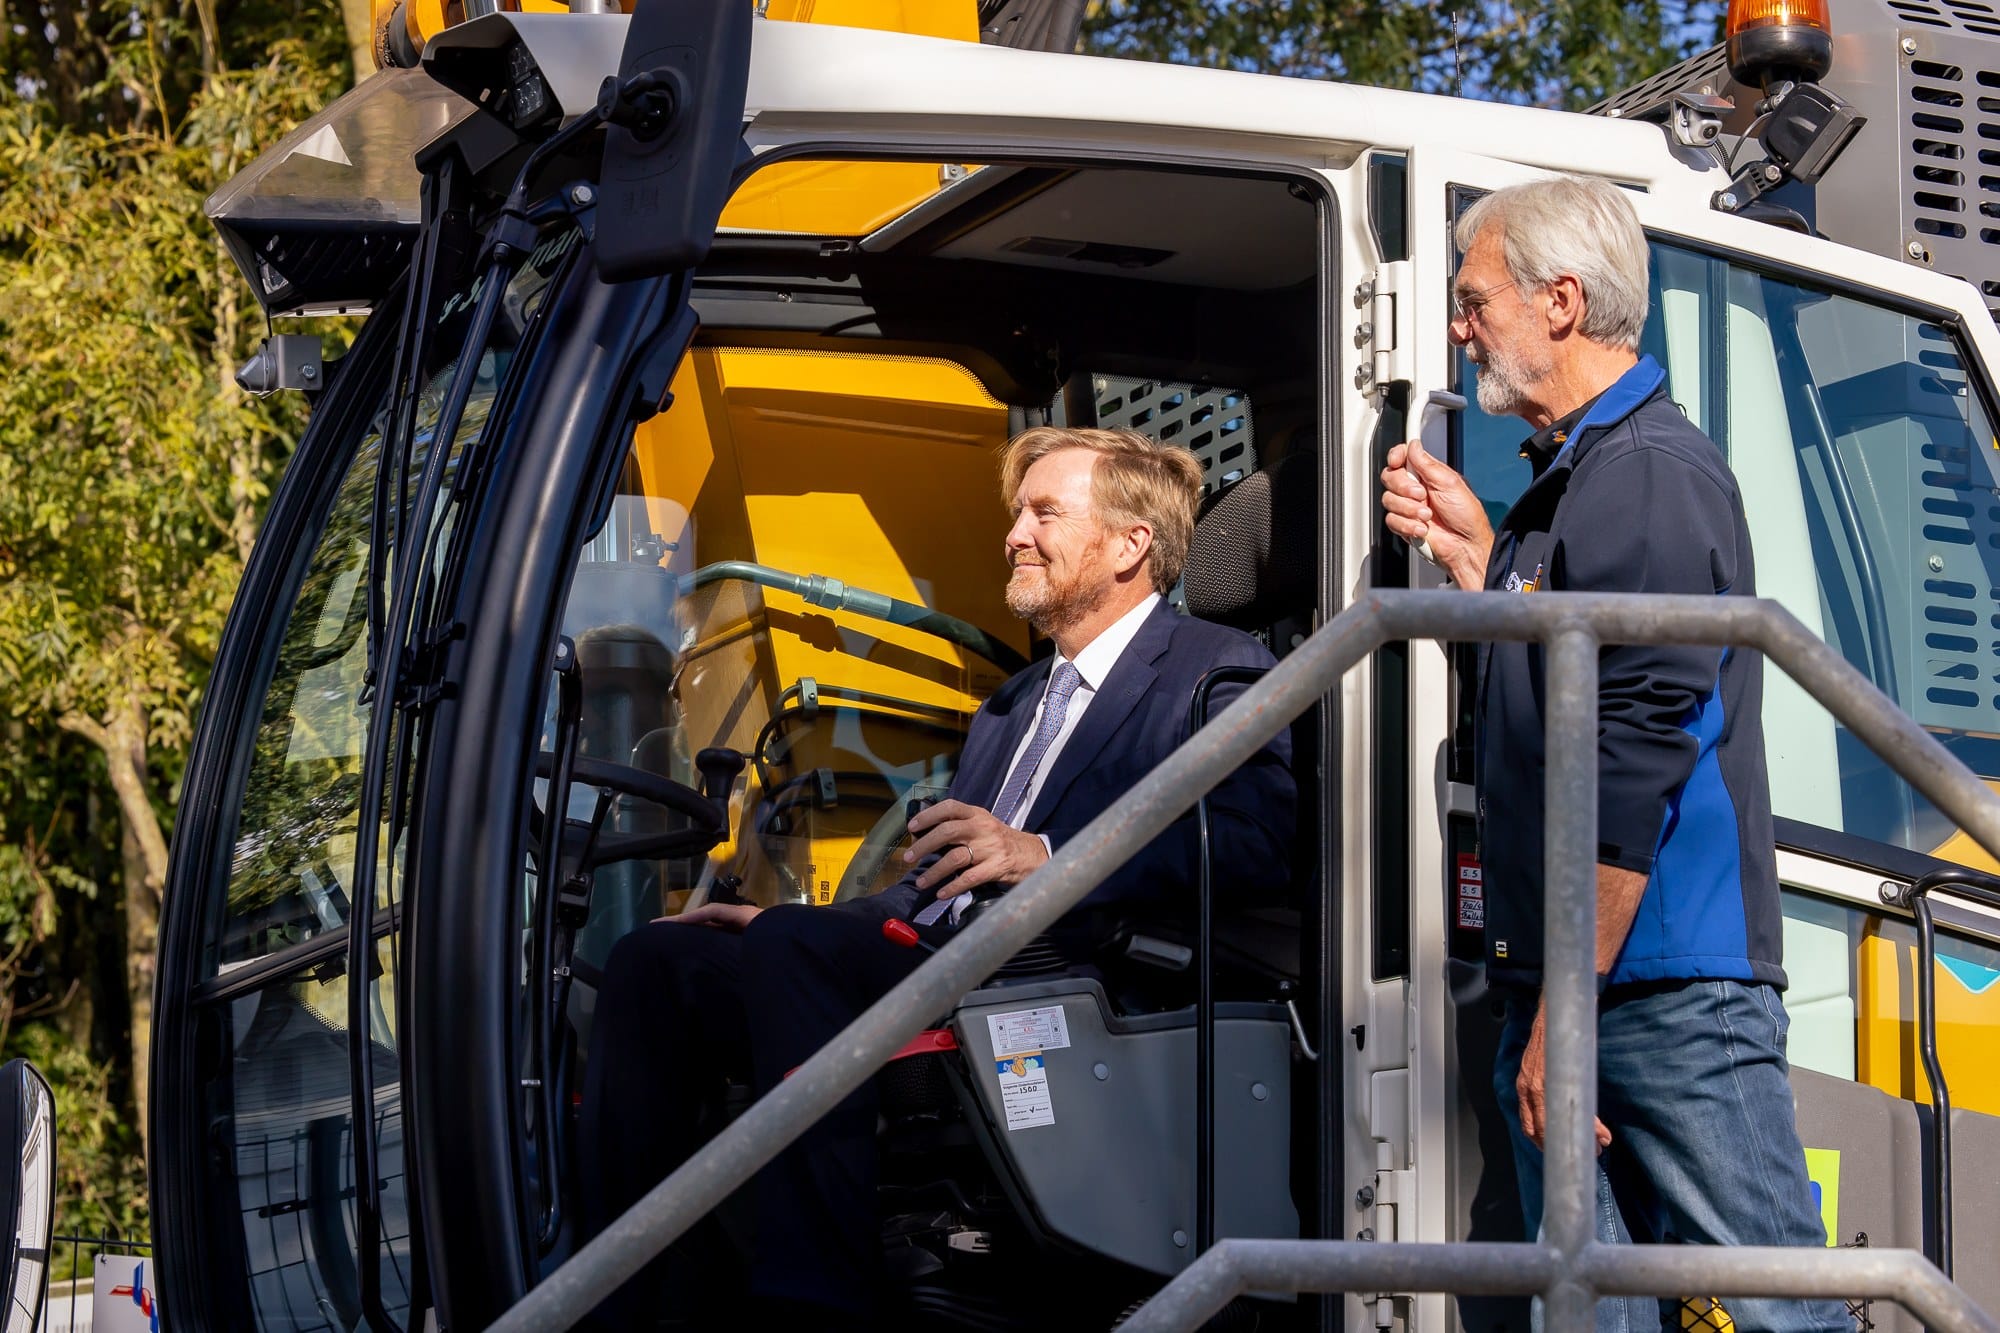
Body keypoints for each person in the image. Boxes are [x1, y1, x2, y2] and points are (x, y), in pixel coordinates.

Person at [581, 425, 1296, 1328]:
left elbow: (1253, 839)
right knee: (660, 966)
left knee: (799, 951)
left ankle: (812, 1302)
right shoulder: (1016, 702)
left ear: (1130, 544)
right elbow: (937, 886)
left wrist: (1048, 855)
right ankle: (614, 1298)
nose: (1014, 535)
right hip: (946, 955)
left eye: (1044, 512)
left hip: (1066, 970)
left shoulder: (1214, 672)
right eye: (1016, 514)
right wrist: (776, 925)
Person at [1378, 175, 1845, 1333]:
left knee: (1785, 1312)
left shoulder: (1642, 472)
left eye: (1472, 296)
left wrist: (1564, 1014)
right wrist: (1484, 573)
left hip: (1659, 993)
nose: (1456, 323)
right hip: (1598, 981)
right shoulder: (1573, 477)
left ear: (1561, 302)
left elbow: (1631, 762)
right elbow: (1560, 708)